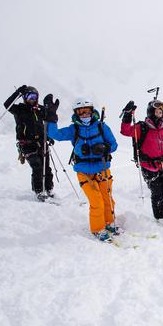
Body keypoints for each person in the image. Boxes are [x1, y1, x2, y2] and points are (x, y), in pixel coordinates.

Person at [44, 95, 119, 242]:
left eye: (87, 111)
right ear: (76, 114)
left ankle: (109, 223)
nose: (84, 115)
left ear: (92, 111)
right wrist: (51, 115)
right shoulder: (74, 129)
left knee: (107, 199)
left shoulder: (102, 127)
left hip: (102, 168)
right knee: (96, 201)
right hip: (84, 171)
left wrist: (104, 148)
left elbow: (114, 144)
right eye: (81, 112)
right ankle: (98, 229)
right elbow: (54, 134)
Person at [121, 99, 163, 223]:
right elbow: (125, 131)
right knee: (157, 194)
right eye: (157, 110)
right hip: (149, 167)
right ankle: (160, 218)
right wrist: (128, 114)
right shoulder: (142, 127)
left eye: (161, 111)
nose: (159, 113)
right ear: (151, 111)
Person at [3, 85, 54, 200]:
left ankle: (49, 189)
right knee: (37, 166)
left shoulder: (40, 109)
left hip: (42, 143)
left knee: (47, 167)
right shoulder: (19, 110)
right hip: (27, 144)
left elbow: (49, 120)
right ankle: (39, 191)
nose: (32, 99)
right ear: (25, 97)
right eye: (29, 96)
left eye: (34, 96)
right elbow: (7, 105)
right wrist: (18, 92)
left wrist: (49, 137)